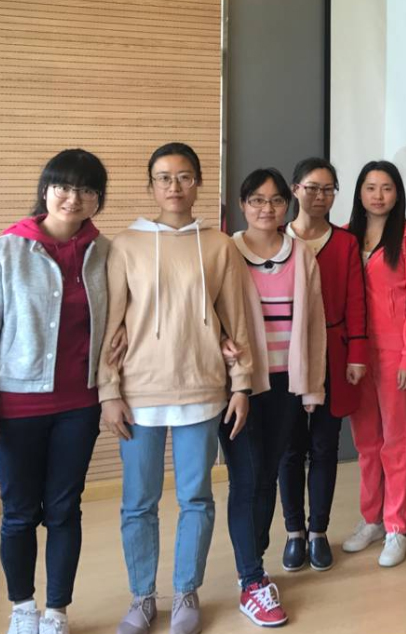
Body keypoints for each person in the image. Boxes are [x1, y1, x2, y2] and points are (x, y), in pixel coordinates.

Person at [0, 150, 120, 634]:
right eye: (64, 186)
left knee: (65, 509)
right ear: (46, 190)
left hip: (79, 406)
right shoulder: (1, 251)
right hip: (14, 409)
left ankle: (56, 612)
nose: (74, 198)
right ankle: (22, 608)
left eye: (87, 189)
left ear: (98, 199)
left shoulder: (106, 253)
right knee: (20, 512)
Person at [98, 142, 257, 634]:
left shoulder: (220, 245)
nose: (174, 186)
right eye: (164, 177)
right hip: (139, 393)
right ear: (151, 186)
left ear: (198, 183)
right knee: (138, 503)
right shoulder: (126, 245)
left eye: (184, 176)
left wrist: (242, 384)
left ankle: (187, 590)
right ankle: (142, 597)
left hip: (202, 388)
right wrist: (108, 390)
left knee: (196, 498)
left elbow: (236, 320)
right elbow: (111, 324)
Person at [224, 168, 326, 626]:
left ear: (288, 204)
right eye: (257, 200)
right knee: (246, 477)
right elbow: (210, 314)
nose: (267, 208)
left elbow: (315, 323)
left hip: (287, 383)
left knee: (267, 474)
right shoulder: (226, 251)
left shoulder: (301, 254)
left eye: (276, 200)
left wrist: (312, 386)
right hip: (242, 385)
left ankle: (253, 563)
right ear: (242, 204)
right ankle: (251, 578)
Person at [279, 157, 366, 573]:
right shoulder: (276, 239)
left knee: (325, 446)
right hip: (286, 356)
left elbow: (356, 302)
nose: (320, 196)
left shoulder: (345, 243)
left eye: (328, 189)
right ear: (295, 189)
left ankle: (318, 531)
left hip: (334, 351)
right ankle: (293, 531)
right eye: (312, 187)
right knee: (290, 448)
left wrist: (357, 354)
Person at [342, 161, 406, 568]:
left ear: (398, 193)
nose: (378, 195)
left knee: (396, 442)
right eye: (371, 187)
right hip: (357, 353)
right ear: (359, 192)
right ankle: (372, 519)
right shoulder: (346, 235)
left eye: (387, 188)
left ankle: (397, 526)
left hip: (395, 352)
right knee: (365, 442)